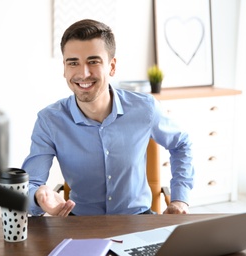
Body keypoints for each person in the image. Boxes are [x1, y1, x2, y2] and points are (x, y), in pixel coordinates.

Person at [22, 19, 194, 217]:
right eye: (73, 63)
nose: (83, 73)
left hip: (138, 220)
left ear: (112, 66)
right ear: (64, 68)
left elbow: (181, 143)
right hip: (80, 224)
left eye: (93, 61)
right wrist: (38, 196)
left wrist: (180, 198)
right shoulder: (49, 121)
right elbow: (31, 185)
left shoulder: (145, 108)